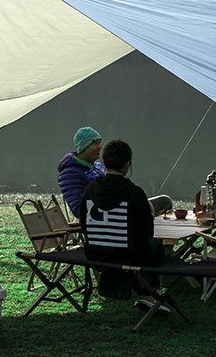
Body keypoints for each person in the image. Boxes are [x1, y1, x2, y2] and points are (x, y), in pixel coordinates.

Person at [79, 139, 167, 312]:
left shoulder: (90, 191)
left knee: (140, 248)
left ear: (104, 163)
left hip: (96, 256)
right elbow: (147, 232)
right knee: (155, 246)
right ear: (127, 165)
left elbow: (84, 226)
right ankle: (148, 293)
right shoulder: (134, 193)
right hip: (127, 256)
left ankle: (144, 292)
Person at [56, 126, 105, 218]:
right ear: (84, 147)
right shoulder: (69, 174)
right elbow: (78, 209)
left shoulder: (98, 166)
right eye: (95, 143)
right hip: (96, 224)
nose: (100, 147)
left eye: (100, 143)